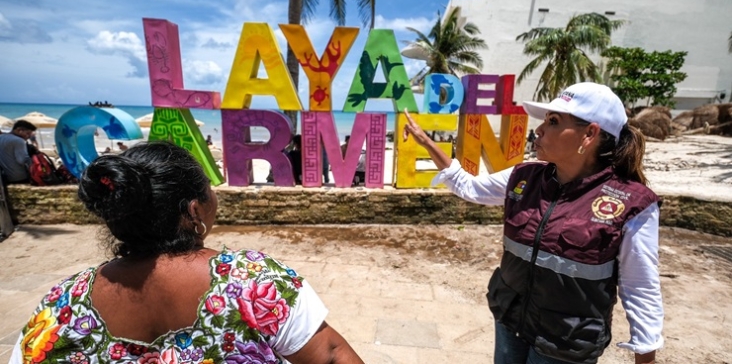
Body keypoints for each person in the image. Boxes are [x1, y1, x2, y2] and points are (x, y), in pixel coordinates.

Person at [10, 141, 363, 364]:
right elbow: (331, 356)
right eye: (209, 189)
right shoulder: (252, 284)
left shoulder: (62, 306)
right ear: (195, 211)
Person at [403, 82, 663, 364]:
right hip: (511, 322)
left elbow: (640, 288)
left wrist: (645, 357)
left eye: (553, 122)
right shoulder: (525, 176)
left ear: (589, 134)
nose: (538, 130)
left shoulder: (631, 203)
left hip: (565, 343)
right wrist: (426, 142)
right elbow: (468, 187)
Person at [0, 120, 37, 185]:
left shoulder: (1, 137)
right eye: (27, 133)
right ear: (19, 130)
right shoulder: (19, 141)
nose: (28, 137)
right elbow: (22, 160)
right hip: (18, 177)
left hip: (3, 177)